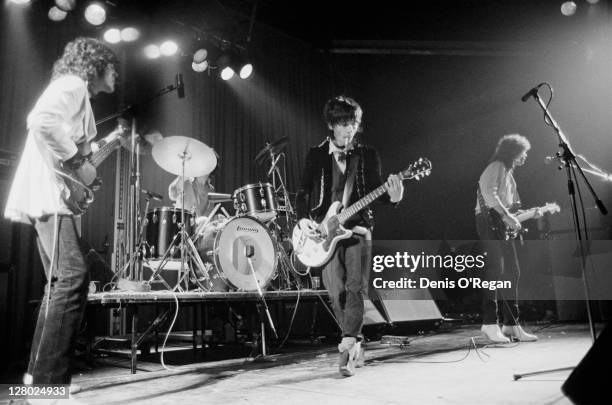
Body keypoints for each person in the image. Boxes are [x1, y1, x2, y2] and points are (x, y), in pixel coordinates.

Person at [4, 37, 119, 384]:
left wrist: (87, 169)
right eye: (111, 66)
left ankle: (37, 382)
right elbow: (41, 121)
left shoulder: (80, 95)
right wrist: (75, 161)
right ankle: (47, 384)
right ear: (95, 64)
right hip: (48, 197)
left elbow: (77, 156)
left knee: (61, 284)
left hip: (55, 197)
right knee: (72, 278)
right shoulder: (72, 84)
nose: (116, 73)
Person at [296, 95, 404, 376]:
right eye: (343, 124)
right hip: (325, 234)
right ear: (332, 125)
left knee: (356, 287)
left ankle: (347, 346)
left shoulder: (368, 155)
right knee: (336, 292)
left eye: (353, 124)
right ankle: (356, 340)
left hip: (357, 230)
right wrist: (303, 219)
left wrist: (394, 196)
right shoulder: (316, 154)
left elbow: (379, 192)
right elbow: (303, 192)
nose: (349, 130)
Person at [475, 134, 539, 343]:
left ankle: (511, 325)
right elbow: (488, 193)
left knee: (512, 272)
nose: (525, 157)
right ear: (513, 152)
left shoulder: (509, 175)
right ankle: (489, 323)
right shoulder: (496, 166)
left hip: (500, 224)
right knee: (495, 271)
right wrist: (508, 216)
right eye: (523, 152)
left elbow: (512, 209)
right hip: (488, 221)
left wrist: (532, 214)